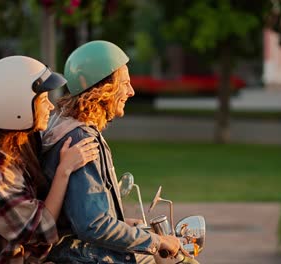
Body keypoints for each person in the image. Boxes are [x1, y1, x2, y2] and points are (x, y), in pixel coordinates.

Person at [40, 40, 181, 263]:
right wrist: (156, 241)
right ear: (103, 89)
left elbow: (83, 213)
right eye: (124, 84)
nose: (131, 91)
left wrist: (123, 223)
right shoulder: (81, 139)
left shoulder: (69, 126)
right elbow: (93, 226)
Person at [0, 56, 100, 263]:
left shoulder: (20, 146)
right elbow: (37, 231)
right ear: (18, 106)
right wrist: (64, 170)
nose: (50, 106)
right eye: (43, 99)